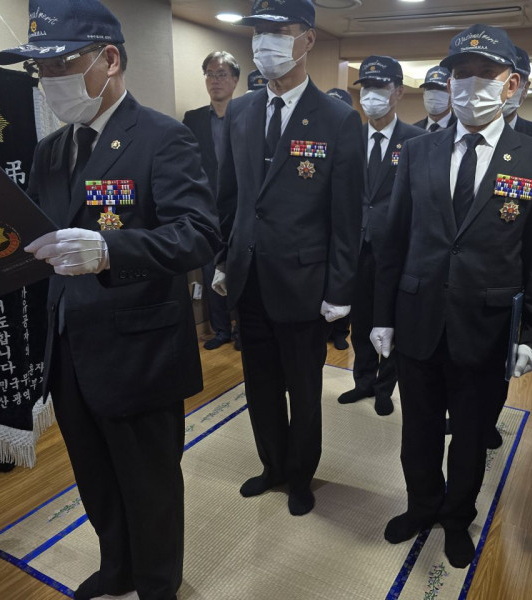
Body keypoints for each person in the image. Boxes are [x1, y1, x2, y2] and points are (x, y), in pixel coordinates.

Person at [0, 2, 220, 599]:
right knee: (94, 475)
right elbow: (40, 234)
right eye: (40, 70)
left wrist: (108, 250)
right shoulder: (51, 149)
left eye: (60, 65)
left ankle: (157, 584)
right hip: (69, 341)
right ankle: (117, 565)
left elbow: (199, 233)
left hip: (140, 349)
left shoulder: (163, 137)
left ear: (109, 59)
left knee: (150, 485)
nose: (49, 81)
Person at [372, 24, 532, 568]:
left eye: (485, 74)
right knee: (419, 430)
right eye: (461, 74)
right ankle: (421, 505)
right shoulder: (418, 150)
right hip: (418, 316)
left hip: (488, 324)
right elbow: (393, 240)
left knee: (472, 436)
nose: (470, 84)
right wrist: (381, 316)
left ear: (511, 84)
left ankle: (457, 518)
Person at [213, 0, 363, 517]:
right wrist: (223, 259)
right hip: (249, 276)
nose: (265, 42)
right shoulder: (241, 110)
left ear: (308, 40)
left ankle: (301, 476)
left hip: (304, 282)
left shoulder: (339, 119)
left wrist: (340, 289)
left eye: (279, 31)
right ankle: (272, 465)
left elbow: (347, 216)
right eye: (259, 32)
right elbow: (230, 197)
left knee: (303, 388)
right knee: (259, 386)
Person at [337, 55, 422, 416]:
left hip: (396, 249)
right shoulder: (350, 137)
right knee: (360, 319)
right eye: (365, 88)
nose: (370, 95)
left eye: (379, 87)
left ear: (398, 92)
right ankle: (363, 381)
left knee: (390, 319)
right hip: (356, 245)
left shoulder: (416, 141)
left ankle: (385, 387)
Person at [183, 51, 241, 351]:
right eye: (210, 74)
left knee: (240, 268)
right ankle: (221, 329)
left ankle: (242, 328)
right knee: (210, 270)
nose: (215, 80)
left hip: (240, 208)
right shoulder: (192, 119)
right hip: (206, 208)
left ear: (235, 79)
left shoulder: (247, 115)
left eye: (222, 74)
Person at [325, 86, 355, 351]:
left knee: (343, 278)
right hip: (324, 222)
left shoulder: (350, 132)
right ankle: (327, 328)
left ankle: (340, 331)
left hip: (350, 218)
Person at [413, 66, 456, 131]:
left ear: (452, 93)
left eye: (440, 88)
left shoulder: (462, 129)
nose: (434, 94)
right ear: (424, 94)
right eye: (430, 88)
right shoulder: (413, 131)